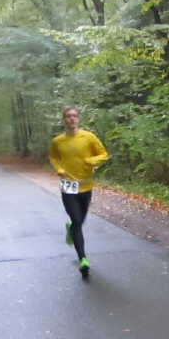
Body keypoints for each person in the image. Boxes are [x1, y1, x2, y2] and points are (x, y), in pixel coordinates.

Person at [48, 106, 109, 277]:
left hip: (85, 186)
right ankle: (83, 259)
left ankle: (71, 228)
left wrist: (91, 161)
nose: (72, 119)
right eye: (68, 116)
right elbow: (53, 157)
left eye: (74, 116)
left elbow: (104, 154)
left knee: (79, 222)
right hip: (68, 186)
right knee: (76, 220)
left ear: (78, 119)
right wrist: (59, 169)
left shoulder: (88, 137)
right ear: (64, 120)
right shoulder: (58, 141)